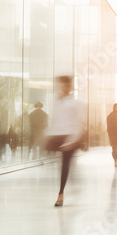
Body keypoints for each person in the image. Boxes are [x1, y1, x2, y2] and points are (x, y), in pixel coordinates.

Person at [47, 75, 85, 207]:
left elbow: (80, 124)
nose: (61, 88)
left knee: (65, 165)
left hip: (70, 137)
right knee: (64, 165)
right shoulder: (56, 102)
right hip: (59, 135)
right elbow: (56, 121)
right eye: (60, 85)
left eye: (64, 85)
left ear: (69, 87)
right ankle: (72, 179)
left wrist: (71, 141)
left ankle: (60, 194)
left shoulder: (76, 103)